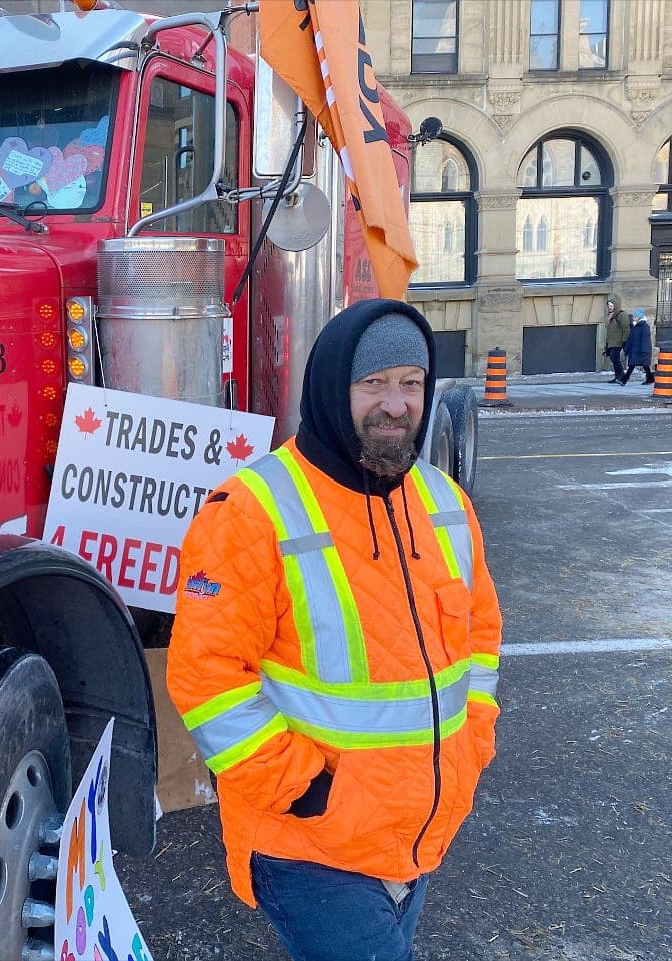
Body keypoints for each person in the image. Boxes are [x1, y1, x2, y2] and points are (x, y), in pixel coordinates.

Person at [166, 299, 503, 961]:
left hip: (417, 835)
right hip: (307, 845)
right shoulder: (251, 510)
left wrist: (472, 747)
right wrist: (304, 788)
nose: (396, 404)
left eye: (410, 382)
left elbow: (480, 640)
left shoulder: (444, 503)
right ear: (330, 388)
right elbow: (205, 677)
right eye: (372, 383)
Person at [621, 308, 655, 385]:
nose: (634, 318)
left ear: (640, 317)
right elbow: (630, 339)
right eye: (634, 316)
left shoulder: (644, 327)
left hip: (641, 350)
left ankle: (624, 380)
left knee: (638, 365)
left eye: (636, 316)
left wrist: (645, 350)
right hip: (635, 349)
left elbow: (645, 339)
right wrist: (627, 348)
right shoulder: (634, 327)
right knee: (638, 365)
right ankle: (650, 378)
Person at [603, 296, 632, 383]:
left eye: (611, 306)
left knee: (615, 358)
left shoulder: (621, 315)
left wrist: (624, 341)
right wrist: (607, 345)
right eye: (608, 306)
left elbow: (626, 328)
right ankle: (618, 376)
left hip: (618, 342)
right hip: (611, 342)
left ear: (616, 305)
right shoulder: (610, 315)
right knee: (613, 358)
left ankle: (621, 376)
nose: (609, 307)